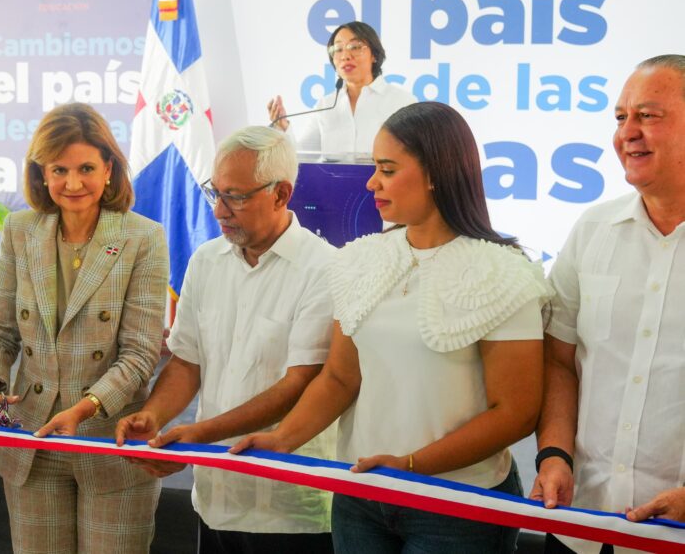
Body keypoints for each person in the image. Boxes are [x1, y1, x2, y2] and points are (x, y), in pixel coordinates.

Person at [233, 102, 551, 554]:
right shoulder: (361, 259)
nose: (370, 183)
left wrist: (411, 465)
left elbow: (514, 411)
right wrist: (283, 438)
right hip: (362, 495)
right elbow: (341, 378)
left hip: (459, 506)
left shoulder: (502, 271)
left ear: (436, 173)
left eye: (386, 169)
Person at [116, 125, 337, 554]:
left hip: (292, 510)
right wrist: (155, 415)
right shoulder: (206, 261)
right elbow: (186, 362)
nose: (219, 210)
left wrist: (196, 435)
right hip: (215, 498)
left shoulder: (325, 269)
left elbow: (299, 385)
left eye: (236, 196)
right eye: (215, 192)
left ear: (281, 194)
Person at [0, 102, 169, 554]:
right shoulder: (21, 230)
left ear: (109, 169)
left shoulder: (144, 237)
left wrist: (82, 410)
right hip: (31, 445)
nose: (73, 183)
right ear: (40, 172)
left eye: (86, 168)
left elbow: (141, 353)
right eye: (59, 169)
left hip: (111, 445)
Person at [532, 54, 685, 553]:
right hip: (580, 522)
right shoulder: (592, 229)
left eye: (648, 115)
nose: (627, 133)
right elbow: (559, 359)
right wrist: (553, 456)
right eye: (621, 118)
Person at [267, 21, 415, 158]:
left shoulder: (402, 102)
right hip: (333, 186)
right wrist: (284, 128)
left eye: (355, 47)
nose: (345, 56)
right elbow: (303, 158)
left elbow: (415, 157)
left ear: (374, 55)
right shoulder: (325, 105)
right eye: (338, 49)